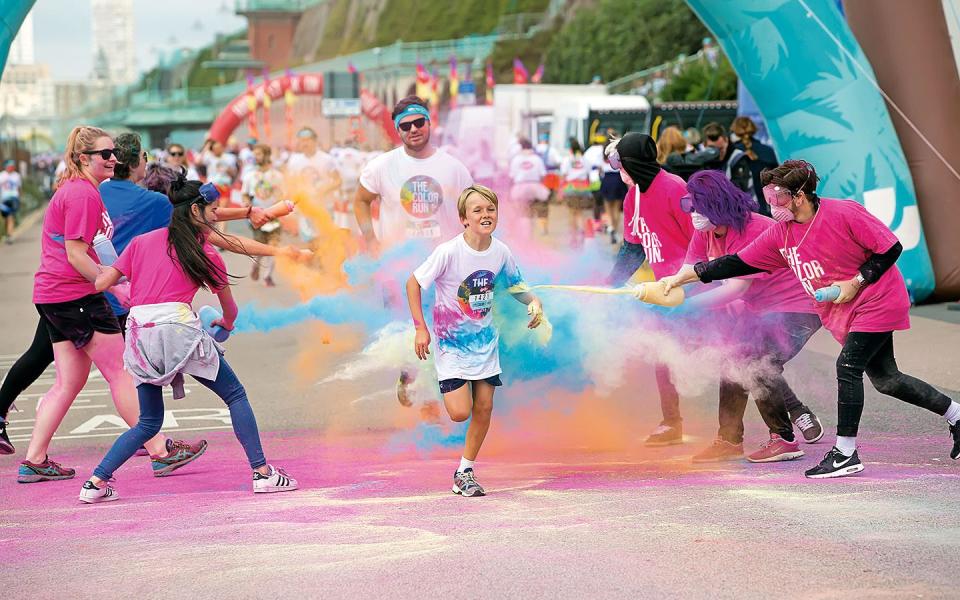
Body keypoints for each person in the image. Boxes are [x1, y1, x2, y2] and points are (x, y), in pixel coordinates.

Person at [662, 159, 960, 478]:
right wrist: (687, 277)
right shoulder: (782, 233)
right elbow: (737, 263)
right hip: (844, 308)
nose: (771, 205)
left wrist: (857, 281)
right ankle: (956, 414)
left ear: (800, 196)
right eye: (768, 197)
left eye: (777, 198)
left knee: (847, 367)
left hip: (877, 299)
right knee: (887, 380)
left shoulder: (843, 212)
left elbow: (890, 247)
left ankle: (845, 453)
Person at [78, 178, 298, 503]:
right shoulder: (204, 251)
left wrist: (92, 261)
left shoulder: (141, 242)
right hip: (178, 328)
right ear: (196, 209)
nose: (215, 216)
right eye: (212, 210)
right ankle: (263, 473)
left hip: (139, 331)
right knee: (235, 395)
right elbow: (230, 309)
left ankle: (95, 482)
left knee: (150, 421)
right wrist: (226, 324)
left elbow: (101, 282)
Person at [16, 126, 197, 483]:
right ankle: (160, 450)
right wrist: (113, 288)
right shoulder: (82, 194)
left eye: (113, 152)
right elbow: (75, 253)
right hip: (75, 296)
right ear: (84, 158)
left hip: (58, 296)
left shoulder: (81, 190)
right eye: (105, 154)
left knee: (70, 380)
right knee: (121, 371)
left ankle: (34, 459)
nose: (113, 159)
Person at [663, 170, 824, 463]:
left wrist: (685, 308)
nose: (693, 214)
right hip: (761, 310)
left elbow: (735, 289)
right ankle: (728, 440)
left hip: (798, 308)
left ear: (717, 205)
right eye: (690, 206)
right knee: (733, 359)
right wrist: (663, 288)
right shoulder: (706, 231)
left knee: (755, 361)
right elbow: (689, 270)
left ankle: (784, 439)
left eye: (698, 206)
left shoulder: (753, 230)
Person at [405, 184, 544, 496]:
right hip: (451, 343)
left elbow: (515, 285)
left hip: (484, 342)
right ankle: (421, 375)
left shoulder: (501, 252)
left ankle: (464, 470)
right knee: (459, 413)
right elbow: (413, 283)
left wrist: (534, 302)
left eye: (490, 209)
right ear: (464, 219)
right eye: (477, 210)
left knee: (484, 407)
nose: (485, 215)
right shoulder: (449, 252)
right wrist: (420, 328)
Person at [605, 132, 691, 446]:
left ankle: (791, 409)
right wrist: (611, 284)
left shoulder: (674, 189)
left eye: (620, 163)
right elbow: (633, 248)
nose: (618, 171)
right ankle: (671, 422)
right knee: (661, 350)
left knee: (732, 353)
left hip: (693, 285)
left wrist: (693, 279)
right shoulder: (633, 197)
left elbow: (700, 239)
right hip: (663, 290)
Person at [354, 96, 473, 252]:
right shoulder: (380, 166)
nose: (413, 129)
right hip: (397, 264)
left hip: (444, 264)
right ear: (398, 130)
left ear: (429, 122)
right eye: (405, 126)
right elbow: (361, 201)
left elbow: (472, 210)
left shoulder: (456, 169)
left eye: (419, 123)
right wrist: (370, 240)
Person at [241, 144, 285, 286]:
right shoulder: (250, 176)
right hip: (257, 217)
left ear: (267, 155)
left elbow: (283, 196)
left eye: (258, 154)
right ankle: (256, 264)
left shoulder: (277, 176)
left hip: (274, 216)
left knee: (273, 246)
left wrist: (279, 208)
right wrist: (248, 207)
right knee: (260, 246)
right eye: (254, 154)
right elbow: (245, 194)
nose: (255, 157)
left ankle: (268, 276)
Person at [731, 116, 778, 215]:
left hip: (739, 208)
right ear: (753, 129)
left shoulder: (732, 153)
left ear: (735, 131)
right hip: (767, 206)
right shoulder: (768, 151)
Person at [507, 138, 550, 238]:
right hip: (536, 188)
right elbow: (543, 174)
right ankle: (543, 231)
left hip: (520, 189)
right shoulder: (537, 159)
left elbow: (512, 176)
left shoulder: (516, 159)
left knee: (524, 213)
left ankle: (526, 234)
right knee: (541, 210)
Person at [701, 122, 753, 195]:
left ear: (727, 141)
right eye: (712, 149)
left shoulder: (738, 157)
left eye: (720, 149)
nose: (717, 153)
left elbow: (740, 188)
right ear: (704, 145)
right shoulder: (703, 160)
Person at [560, 138, 593, 247]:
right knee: (580, 213)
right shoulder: (585, 160)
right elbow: (589, 175)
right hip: (583, 188)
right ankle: (582, 233)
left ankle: (573, 238)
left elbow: (564, 176)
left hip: (571, 188)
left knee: (572, 213)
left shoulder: (567, 160)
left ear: (570, 149)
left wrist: (560, 190)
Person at [1, 159, 22, 244]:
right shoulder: (1, 176)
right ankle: (8, 234)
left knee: (10, 217)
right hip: (4, 199)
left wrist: (19, 198)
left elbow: (19, 188)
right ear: (6, 167)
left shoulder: (16, 176)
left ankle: (9, 236)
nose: (11, 168)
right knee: (6, 218)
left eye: (12, 166)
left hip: (14, 198)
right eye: (9, 166)